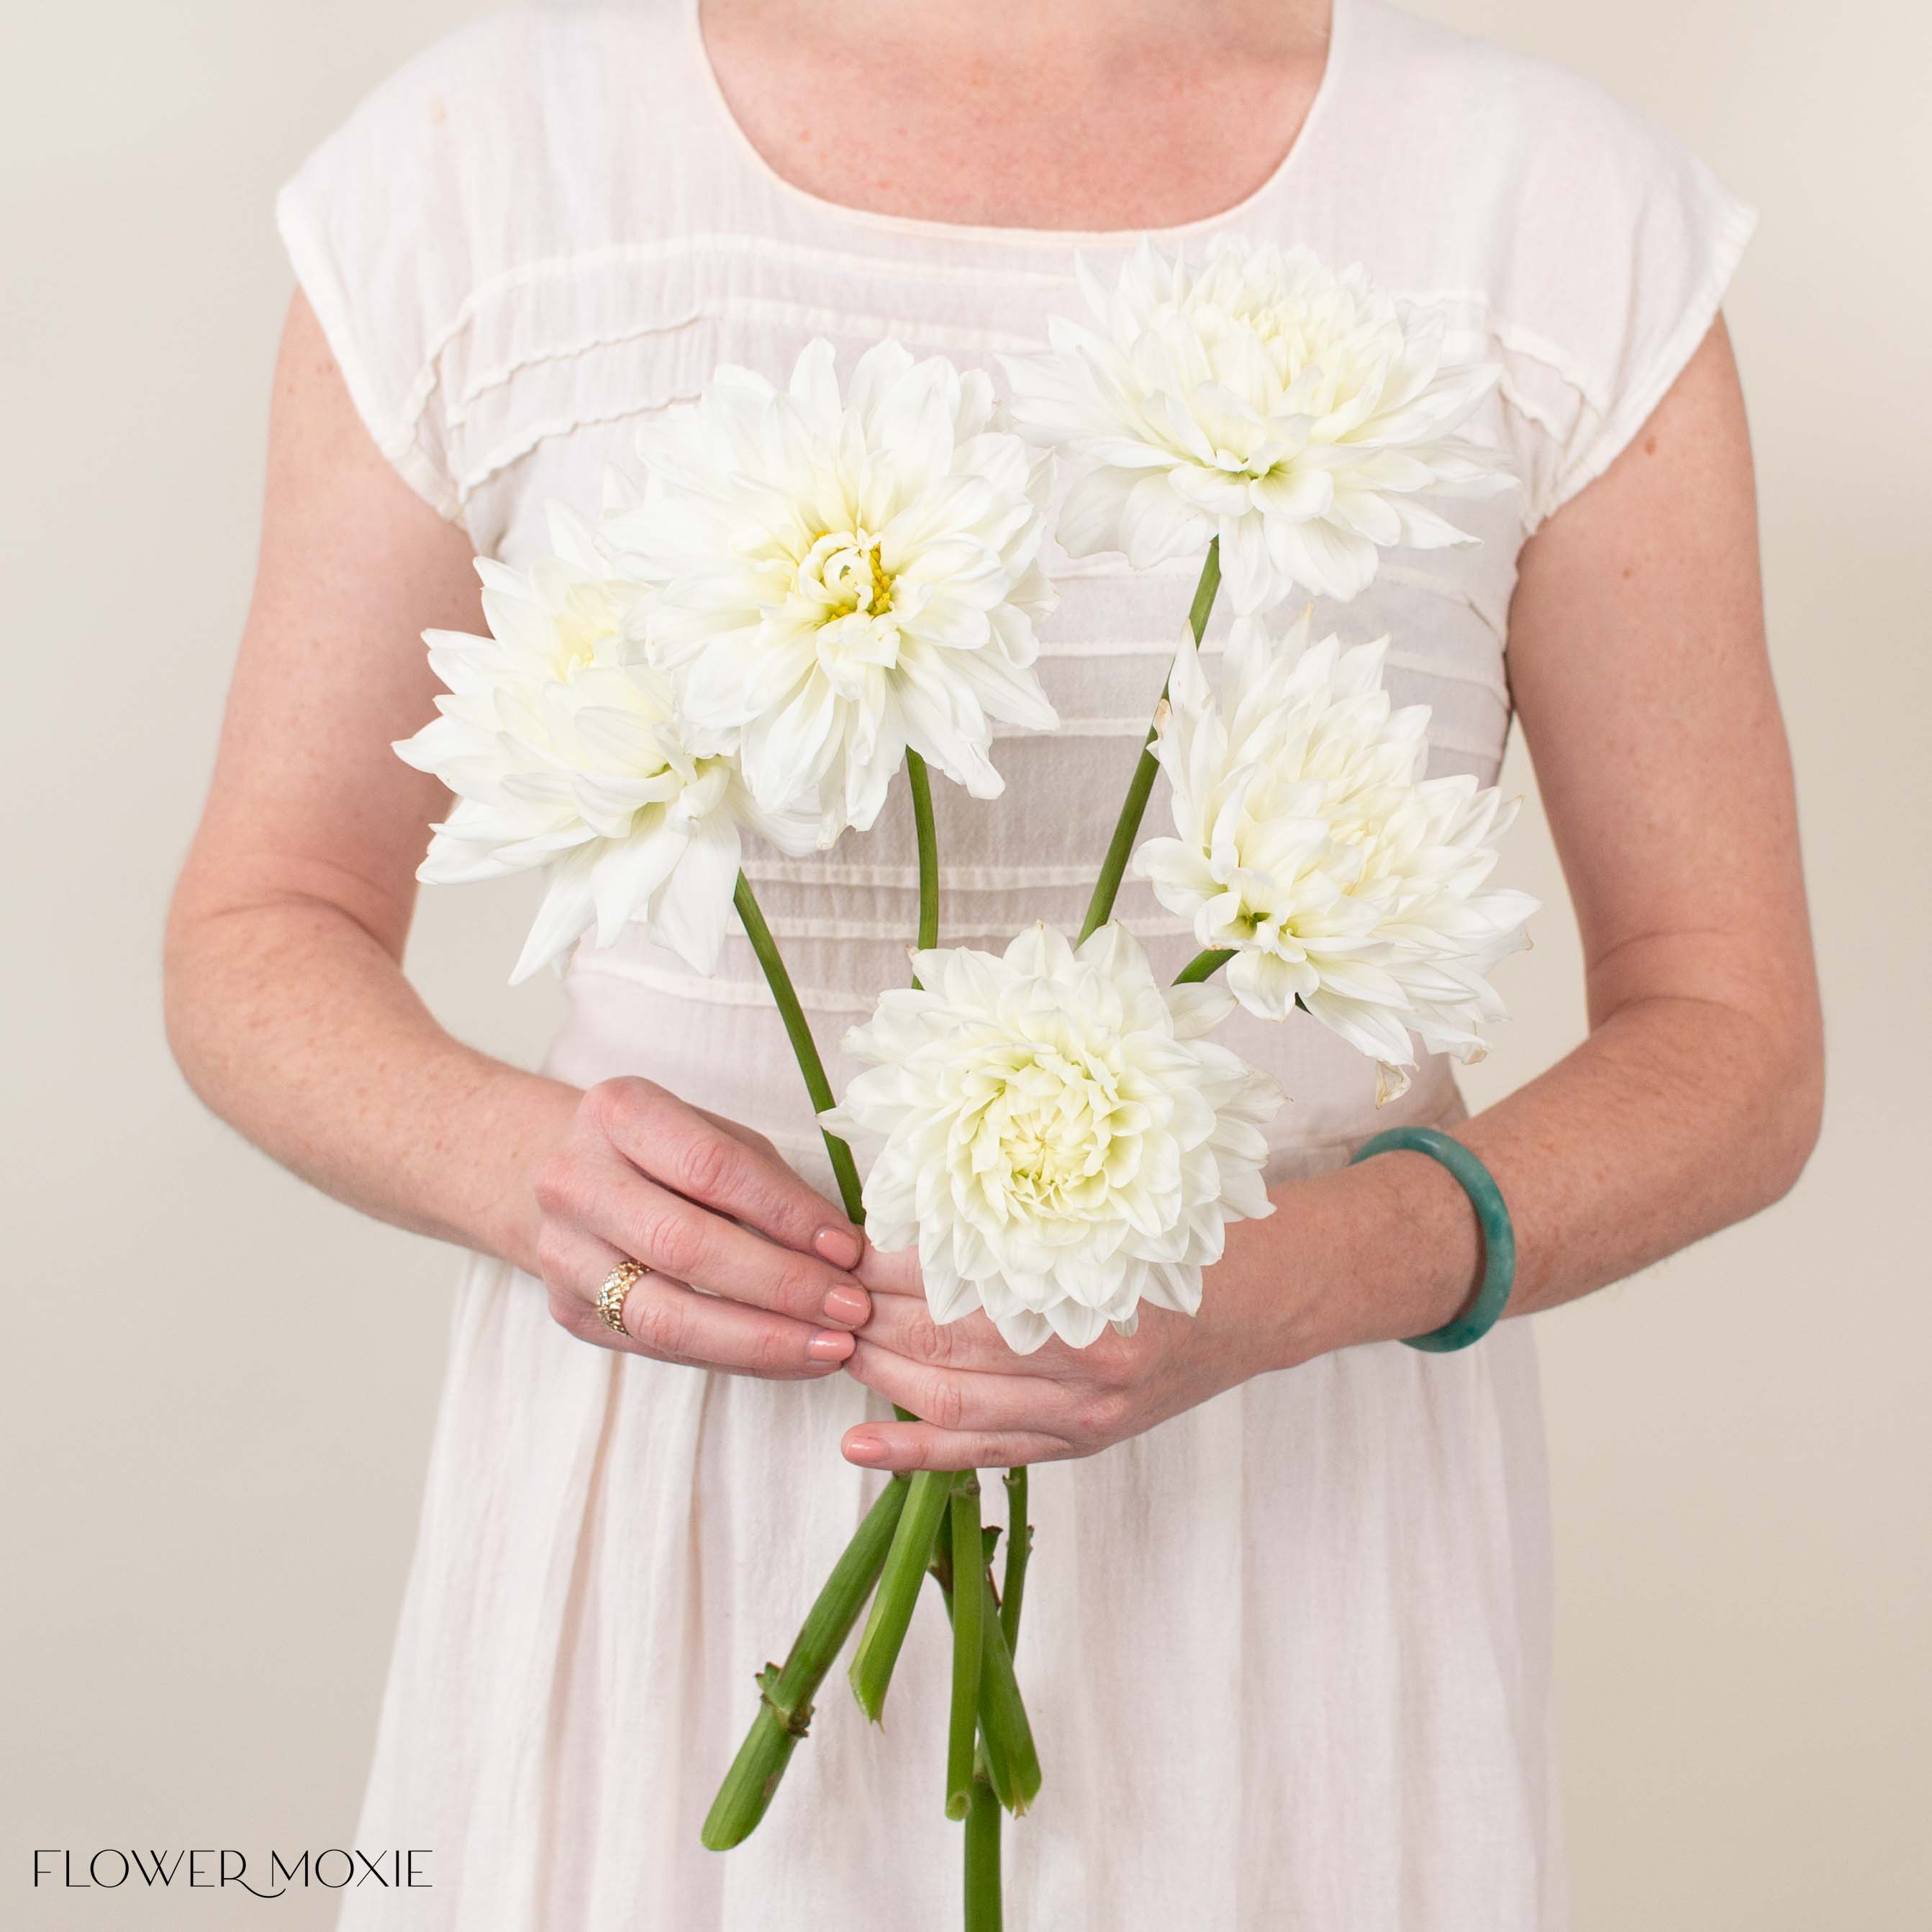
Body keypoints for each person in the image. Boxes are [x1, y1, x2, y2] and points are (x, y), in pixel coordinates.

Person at [165, 1, 1822, 1925]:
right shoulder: (480, 172)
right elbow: (261, 922)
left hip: (1287, 1525)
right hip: (676, 1510)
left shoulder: (1556, 218)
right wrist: (514, 1166)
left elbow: (1734, 1035)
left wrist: (1304, 1274)